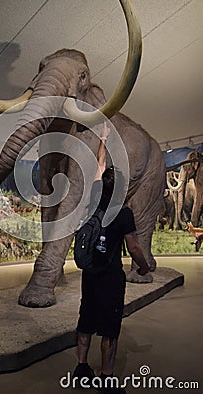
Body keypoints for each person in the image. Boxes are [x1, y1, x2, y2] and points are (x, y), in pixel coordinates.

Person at [73, 134, 152, 393]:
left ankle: (81, 368)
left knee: (85, 320)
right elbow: (134, 247)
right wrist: (145, 266)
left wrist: (104, 140)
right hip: (110, 277)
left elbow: (98, 167)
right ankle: (107, 378)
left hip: (90, 274)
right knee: (110, 329)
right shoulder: (124, 213)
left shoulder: (92, 201)